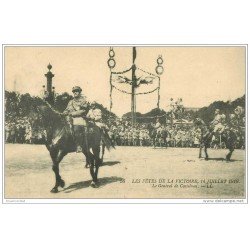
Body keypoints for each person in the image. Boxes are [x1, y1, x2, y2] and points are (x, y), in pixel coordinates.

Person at [63, 86, 89, 152]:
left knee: (76, 128)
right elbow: (67, 110)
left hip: (79, 118)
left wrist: (73, 114)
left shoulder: (83, 101)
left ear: (80, 92)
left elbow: (83, 110)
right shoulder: (70, 102)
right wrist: (63, 113)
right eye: (74, 91)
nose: (75, 92)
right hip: (70, 118)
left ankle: (79, 145)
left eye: (76, 91)